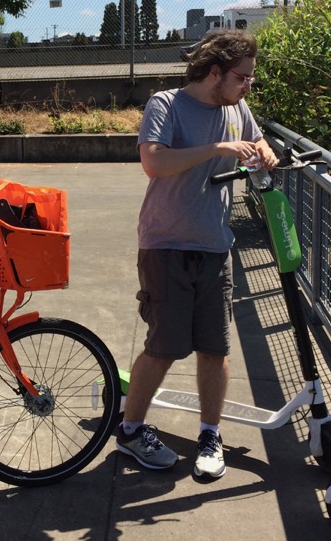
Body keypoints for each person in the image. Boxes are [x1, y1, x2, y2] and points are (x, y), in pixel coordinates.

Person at [115, 29, 277, 480]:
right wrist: (216, 149)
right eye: (243, 78)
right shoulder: (166, 104)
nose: (248, 87)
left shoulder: (237, 107)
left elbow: (260, 142)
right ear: (214, 73)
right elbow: (154, 162)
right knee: (163, 348)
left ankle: (210, 433)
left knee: (214, 348)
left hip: (214, 246)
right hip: (166, 244)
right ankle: (131, 429)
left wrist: (265, 154)